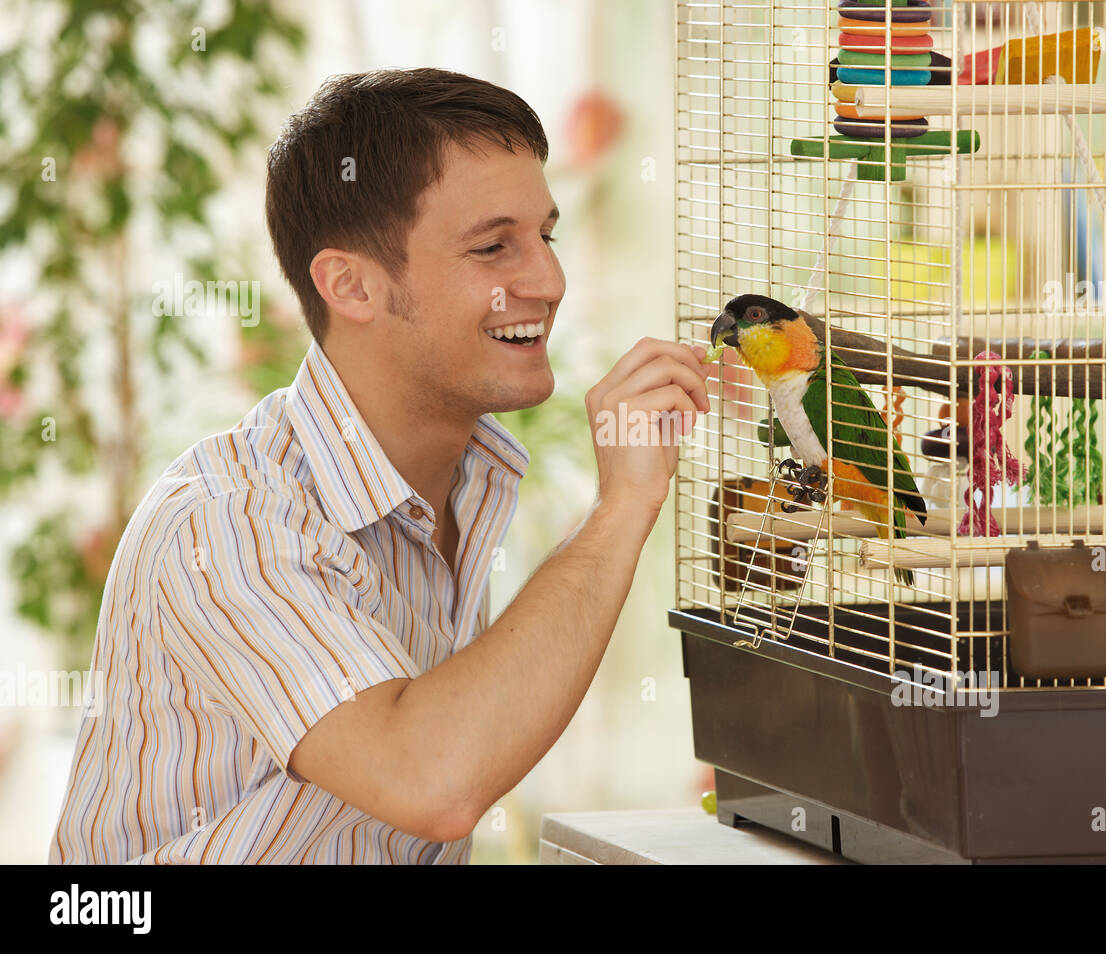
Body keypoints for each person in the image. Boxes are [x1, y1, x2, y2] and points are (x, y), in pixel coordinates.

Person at [49, 67, 711, 864]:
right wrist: (619, 510)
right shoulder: (229, 523)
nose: (548, 281)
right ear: (351, 284)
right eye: (494, 246)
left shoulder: (460, 480)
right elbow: (433, 781)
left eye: (547, 236)